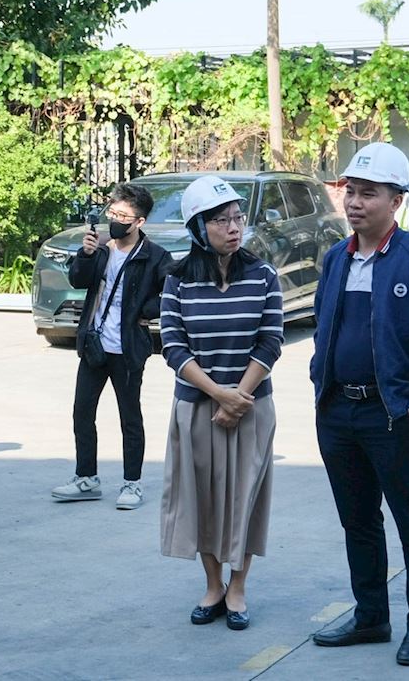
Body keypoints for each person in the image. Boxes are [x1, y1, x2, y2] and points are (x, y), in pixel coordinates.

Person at [308, 142, 409, 668]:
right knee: (358, 521)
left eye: (368, 193)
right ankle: (371, 615)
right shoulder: (337, 258)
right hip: (338, 412)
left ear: (397, 200)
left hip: (393, 415)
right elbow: (323, 328)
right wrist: (321, 388)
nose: (355, 202)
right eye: (351, 191)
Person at [158, 177, 283, 632]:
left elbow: (271, 340)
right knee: (203, 501)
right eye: (221, 220)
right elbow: (173, 347)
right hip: (198, 408)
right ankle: (213, 585)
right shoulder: (177, 280)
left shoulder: (263, 276)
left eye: (237, 218)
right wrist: (218, 393)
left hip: (250, 408)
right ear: (198, 228)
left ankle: (238, 587)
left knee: (245, 498)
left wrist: (238, 398)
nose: (233, 228)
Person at [51, 182, 172, 510]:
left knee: (129, 417)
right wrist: (86, 254)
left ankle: (132, 483)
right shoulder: (102, 249)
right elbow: (78, 280)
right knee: (82, 411)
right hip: (95, 344)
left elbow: (172, 295)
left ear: (140, 222)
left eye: (123, 216)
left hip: (128, 348)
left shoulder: (155, 256)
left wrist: (145, 312)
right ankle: (86, 477)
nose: (115, 220)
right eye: (113, 213)